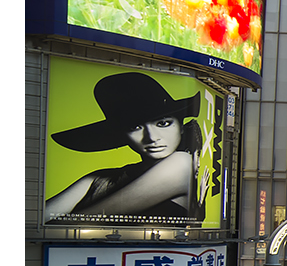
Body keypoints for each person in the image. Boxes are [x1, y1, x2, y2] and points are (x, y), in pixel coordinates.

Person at [44, 71, 205, 221]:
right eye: (135, 127)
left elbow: (78, 223)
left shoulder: (182, 164)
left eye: (163, 123)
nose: (152, 138)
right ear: (122, 134)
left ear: (181, 126)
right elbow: (37, 219)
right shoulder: (98, 179)